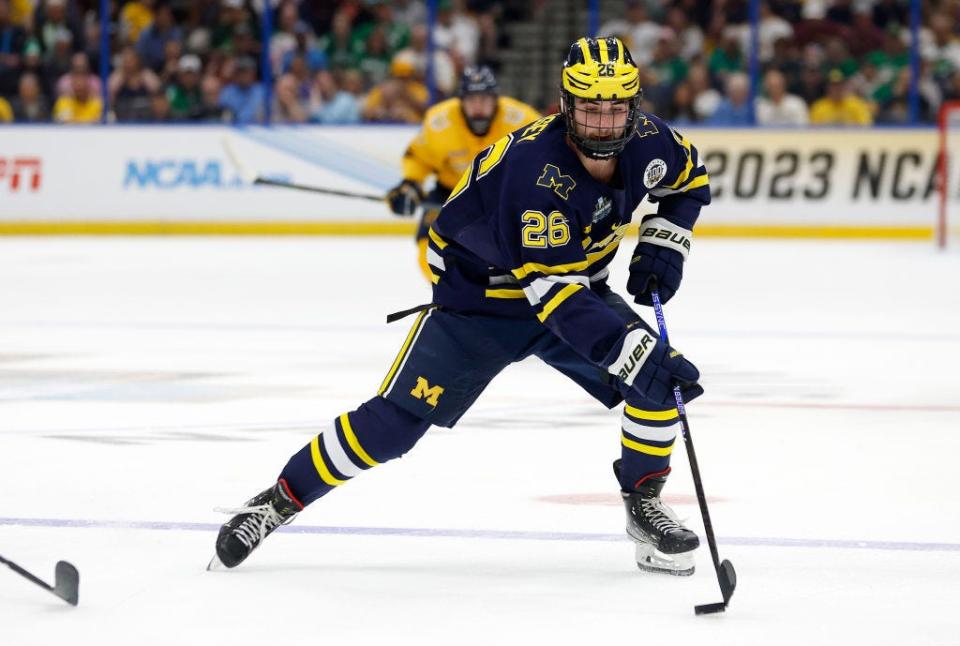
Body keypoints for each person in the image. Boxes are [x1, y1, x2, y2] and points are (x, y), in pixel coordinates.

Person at [210, 37, 710, 577]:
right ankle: (276, 500)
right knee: (393, 427)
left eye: (616, 110)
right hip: (482, 304)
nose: (603, 126)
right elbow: (556, 299)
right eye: (590, 110)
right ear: (566, 107)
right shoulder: (534, 171)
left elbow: (689, 182)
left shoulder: (654, 141)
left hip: (572, 288)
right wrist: (634, 354)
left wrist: (666, 240)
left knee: (660, 384)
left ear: (634, 108)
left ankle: (644, 505)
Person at [385, 65, 540, 281]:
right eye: (472, 100)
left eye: (484, 99)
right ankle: (452, 299)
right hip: (450, 194)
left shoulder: (522, 120)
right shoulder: (440, 122)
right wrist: (410, 186)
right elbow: (418, 158)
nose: (478, 107)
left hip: (503, 197)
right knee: (427, 249)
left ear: (496, 99)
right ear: (461, 101)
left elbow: (542, 159)